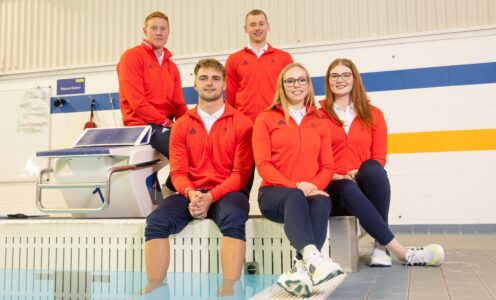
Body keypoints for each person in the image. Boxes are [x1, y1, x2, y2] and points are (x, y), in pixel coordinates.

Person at [138, 58, 253, 296]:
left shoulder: (242, 123)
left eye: (215, 78)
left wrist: (211, 196)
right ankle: (156, 287)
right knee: (156, 221)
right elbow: (178, 172)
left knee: (233, 217)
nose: (209, 83)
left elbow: (240, 175)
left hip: (227, 192)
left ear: (224, 85)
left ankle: (230, 287)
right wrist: (191, 194)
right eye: (203, 78)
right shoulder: (181, 125)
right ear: (195, 84)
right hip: (190, 192)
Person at [320, 58, 445, 267]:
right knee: (345, 186)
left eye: (345, 75)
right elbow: (312, 156)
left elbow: (379, 157)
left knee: (373, 168)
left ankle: (380, 245)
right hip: (333, 187)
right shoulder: (317, 115)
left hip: (359, 187)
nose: (340, 80)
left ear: (354, 79)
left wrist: (357, 172)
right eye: (334, 76)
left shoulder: (373, 114)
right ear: (328, 81)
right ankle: (403, 253)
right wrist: (333, 174)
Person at [252, 63, 343, 297]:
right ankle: (315, 258)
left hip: (309, 191)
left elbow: (328, 166)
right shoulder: (266, 118)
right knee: (295, 197)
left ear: (309, 85)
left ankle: (299, 269)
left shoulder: (319, 120)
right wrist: (296, 187)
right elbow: (263, 165)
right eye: (290, 80)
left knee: (323, 202)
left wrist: (312, 186)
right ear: (282, 86)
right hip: (274, 194)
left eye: (301, 80)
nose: (296, 85)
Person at [117, 11, 187, 159]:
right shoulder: (132, 57)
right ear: (145, 31)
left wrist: (188, 125)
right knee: (184, 154)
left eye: (163, 29)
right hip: (142, 125)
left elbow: (179, 103)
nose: (159, 33)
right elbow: (137, 103)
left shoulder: (172, 67)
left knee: (200, 146)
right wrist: (168, 123)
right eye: (154, 28)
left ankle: (171, 183)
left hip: (165, 125)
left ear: (168, 32)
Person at [225, 9, 293, 123]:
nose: (257, 28)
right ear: (245, 29)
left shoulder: (284, 58)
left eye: (261, 24)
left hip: (276, 121)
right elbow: (230, 96)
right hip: (244, 123)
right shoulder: (233, 59)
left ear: (268, 27)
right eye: (252, 25)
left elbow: (290, 93)